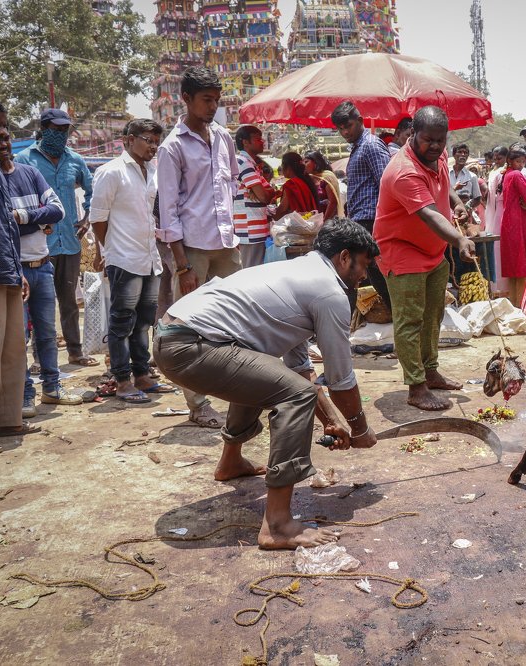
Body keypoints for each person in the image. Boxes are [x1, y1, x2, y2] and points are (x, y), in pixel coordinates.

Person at [154, 221, 377, 549]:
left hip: (172, 337)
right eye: (364, 266)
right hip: (188, 346)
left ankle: (231, 463)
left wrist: (330, 418)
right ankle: (277, 525)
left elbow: (298, 368)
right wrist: (359, 429)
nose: (364, 277)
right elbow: (340, 380)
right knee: (296, 397)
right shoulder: (330, 292)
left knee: (264, 370)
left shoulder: (295, 273)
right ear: (345, 257)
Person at [373, 106, 476, 411]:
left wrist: (456, 202)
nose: (434, 146)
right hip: (401, 250)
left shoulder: (438, 155)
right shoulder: (403, 171)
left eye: (440, 141)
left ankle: (430, 371)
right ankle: (416, 386)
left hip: (433, 250)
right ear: (412, 134)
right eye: (427, 140)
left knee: (433, 315)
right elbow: (429, 213)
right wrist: (458, 238)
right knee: (410, 320)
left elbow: (443, 194)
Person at [156, 66, 241, 429]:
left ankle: (244, 388)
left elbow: (232, 183)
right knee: (187, 326)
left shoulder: (224, 138)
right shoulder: (171, 147)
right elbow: (168, 210)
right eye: (206, 100)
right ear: (186, 99)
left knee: (240, 317)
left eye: (216, 101)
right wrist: (182, 266)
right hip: (191, 251)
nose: (212, 107)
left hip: (227, 244)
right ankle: (197, 403)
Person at [90, 119, 173, 405]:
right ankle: (122, 380)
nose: (153, 146)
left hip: (149, 258)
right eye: (147, 140)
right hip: (124, 258)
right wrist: (111, 249)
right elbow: (98, 218)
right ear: (128, 139)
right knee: (122, 321)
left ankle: (142, 375)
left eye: (155, 141)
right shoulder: (110, 172)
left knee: (143, 321)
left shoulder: (153, 171)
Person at [0, 124, 74, 416]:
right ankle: (25, 395)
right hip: (13, 271)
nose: (4, 144)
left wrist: (21, 217)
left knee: (47, 334)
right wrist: (38, 222)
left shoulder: (29, 173)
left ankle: (52, 389)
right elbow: (3, 223)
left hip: (42, 266)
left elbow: (58, 210)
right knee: (19, 340)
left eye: (6, 138)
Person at [15, 108, 96, 367]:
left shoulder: (75, 159)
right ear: (44, 129)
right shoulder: (25, 159)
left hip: (69, 242)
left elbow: (93, 190)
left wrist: (87, 219)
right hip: (38, 245)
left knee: (70, 301)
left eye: (65, 130)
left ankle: (75, 351)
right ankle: (40, 358)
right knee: (42, 306)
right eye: (56, 130)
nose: (61, 135)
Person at [0, 115, 37, 438]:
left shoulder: (2, 176)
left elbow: (8, 226)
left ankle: (8, 421)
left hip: (8, 269)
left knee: (12, 351)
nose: (4, 138)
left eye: (5, 130)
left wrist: (17, 268)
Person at [334, 101, 393, 311]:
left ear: (360, 121)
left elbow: (387, 184)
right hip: (360, 220)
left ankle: (398, 316)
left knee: (367, 272)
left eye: (347, 126)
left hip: (371, 220)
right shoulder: (358, 147)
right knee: (360, 273)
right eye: (340, 128)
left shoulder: (371, 145)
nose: (344, 132)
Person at [498, 143, 526, 308]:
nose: (521, 165)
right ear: (510, 161)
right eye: (518, 161)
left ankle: (514, 305)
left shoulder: (506, 174)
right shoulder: (517, 175)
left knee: (513, 267)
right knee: (521, 266)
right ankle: (522, 307)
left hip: (507, 222)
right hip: (518, 222)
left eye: (523, 162)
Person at [232, 125, 276, 269]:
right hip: (250, 230)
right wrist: (264, 192)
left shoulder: (251, 165)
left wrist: (262, 192)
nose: (262, 142)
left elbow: (270, 192)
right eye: (258, 139)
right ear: (245, 142)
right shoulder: (243, 163)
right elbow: (264, 196)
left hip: (256, 228)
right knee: (252, 272)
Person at [484, 145, 509, 294]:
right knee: (495, 248)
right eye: (495, 158)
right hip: (493, 212)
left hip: (502, 211)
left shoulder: (508, 172)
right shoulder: (494, 173)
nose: (497, 161)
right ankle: (496, 285)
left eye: (499, 158)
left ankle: (506, 286)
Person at [272, 152, 318, 219]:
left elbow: (278, 215)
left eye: (282, 164)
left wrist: (273, 202)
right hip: (309, 223)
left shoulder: (291, 184)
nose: (281, 167)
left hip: (297, 226)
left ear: (288, 167)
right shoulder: (305, 181)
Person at [303, 151, 344, 219]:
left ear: (315, 162)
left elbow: (333, 202)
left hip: (329, 220)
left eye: (306, 162)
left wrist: (324, 221)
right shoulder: (309, 179)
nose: (304, 165)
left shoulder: (327, 177)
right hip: (314, 219)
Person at [449, 143, 481, 210]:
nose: (463, 155)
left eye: (465, 153)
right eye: (460, 152)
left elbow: (477, 199)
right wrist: (455, 188)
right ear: (454, 155)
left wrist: (467, 207)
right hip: (447, 211)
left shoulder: (472, 176)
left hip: (465, 214)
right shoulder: (446, 174)